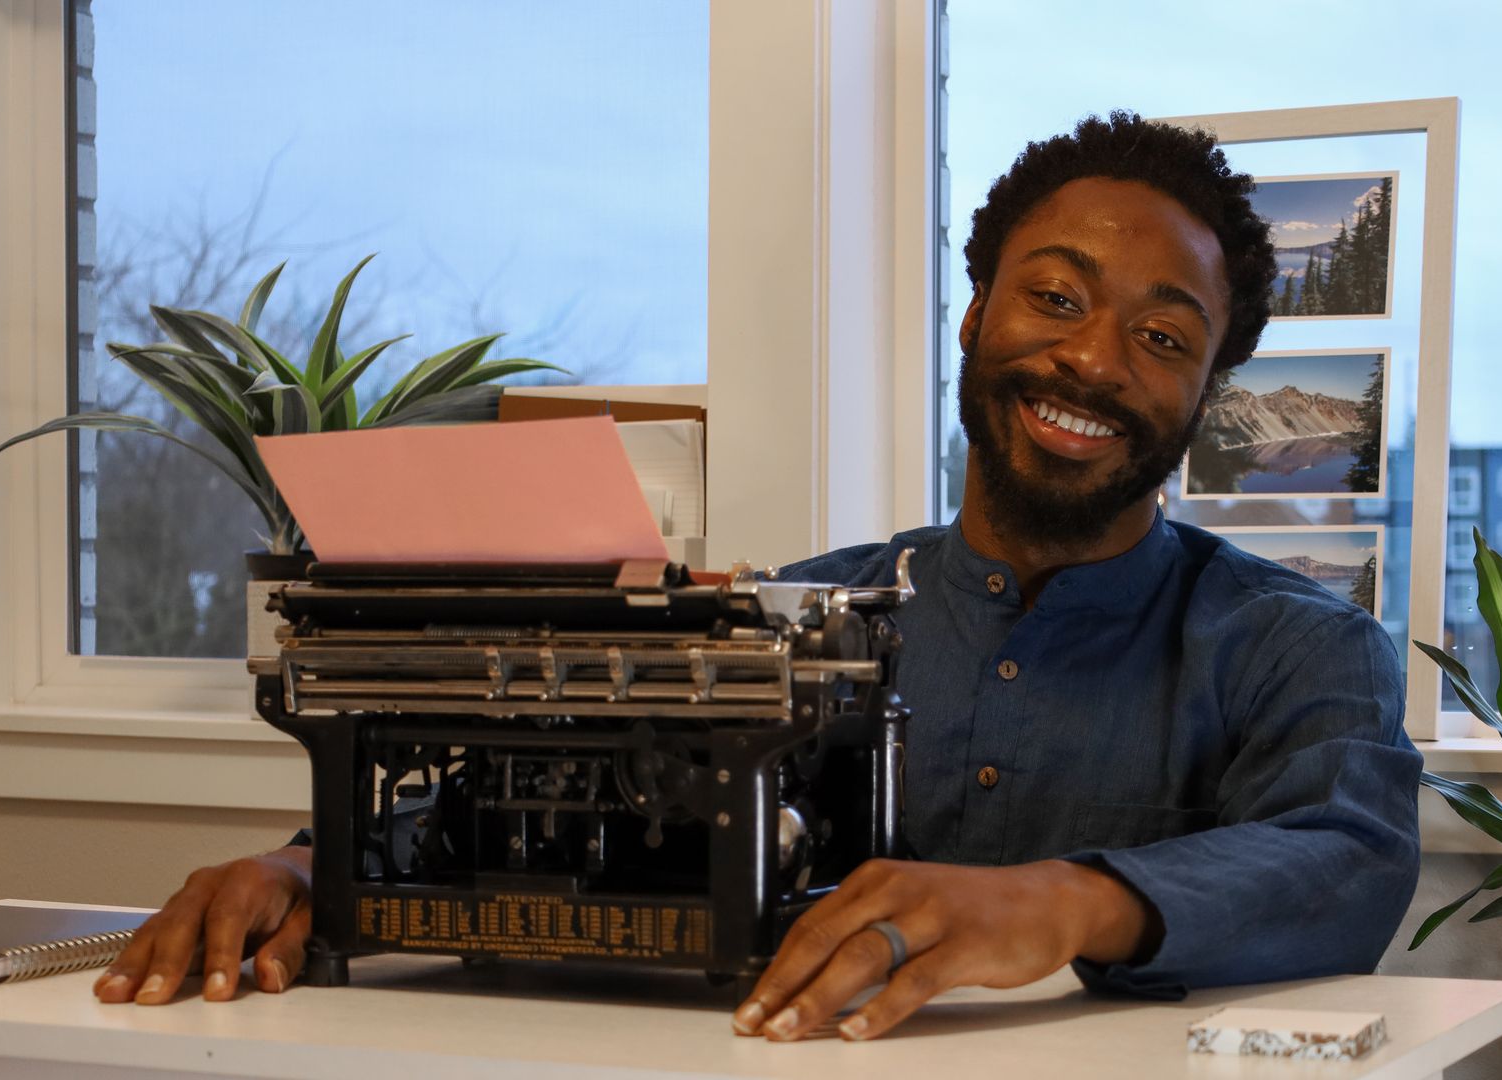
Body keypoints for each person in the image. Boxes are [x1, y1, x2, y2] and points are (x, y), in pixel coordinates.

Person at [94, 112, 1421, 1044]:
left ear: (1205, 390)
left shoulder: (1299, 649)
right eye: (1055, 299)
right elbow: (564, 798)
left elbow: (1345, 866)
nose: (1090, 361)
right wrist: (315, 862)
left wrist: (1063, 901)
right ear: (975, 315)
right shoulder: (780, 621)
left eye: (1161, 335)